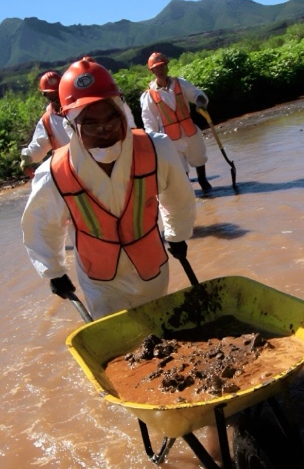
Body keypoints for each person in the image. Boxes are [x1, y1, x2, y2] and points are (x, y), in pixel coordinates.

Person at [23, 57, 196, 319]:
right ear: (72, 125)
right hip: (101, 282)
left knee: (162, 330)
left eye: (110, 121)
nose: (104, 132)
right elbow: (41, 226)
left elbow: (178, 197)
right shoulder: (53, 174)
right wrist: (54, 272)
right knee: (120, 346)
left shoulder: (156, 149)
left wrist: (177, 234)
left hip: (152, 269)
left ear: (120, 112)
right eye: (91, 125)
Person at [139, 52, 213, 194]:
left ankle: (204, 185)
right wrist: (153, 141)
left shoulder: (180, 83)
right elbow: (148, 121)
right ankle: (189, 196)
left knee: (199, 159)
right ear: (152, 71)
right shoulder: (149, 95)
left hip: (190, 132)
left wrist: (200, 103)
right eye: (156, 68)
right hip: (170, 139)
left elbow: (197, 94)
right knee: (181, 172)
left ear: (167, 67)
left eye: (162, 66)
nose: (160, 70)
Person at [19, 71, 71, 177]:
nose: (56, 97)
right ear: (45, 95)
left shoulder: (78, 108)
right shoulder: (47, 121)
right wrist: (27, 157)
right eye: (51, 95)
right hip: (71, 171)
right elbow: (39, 145)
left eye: (58, 92)